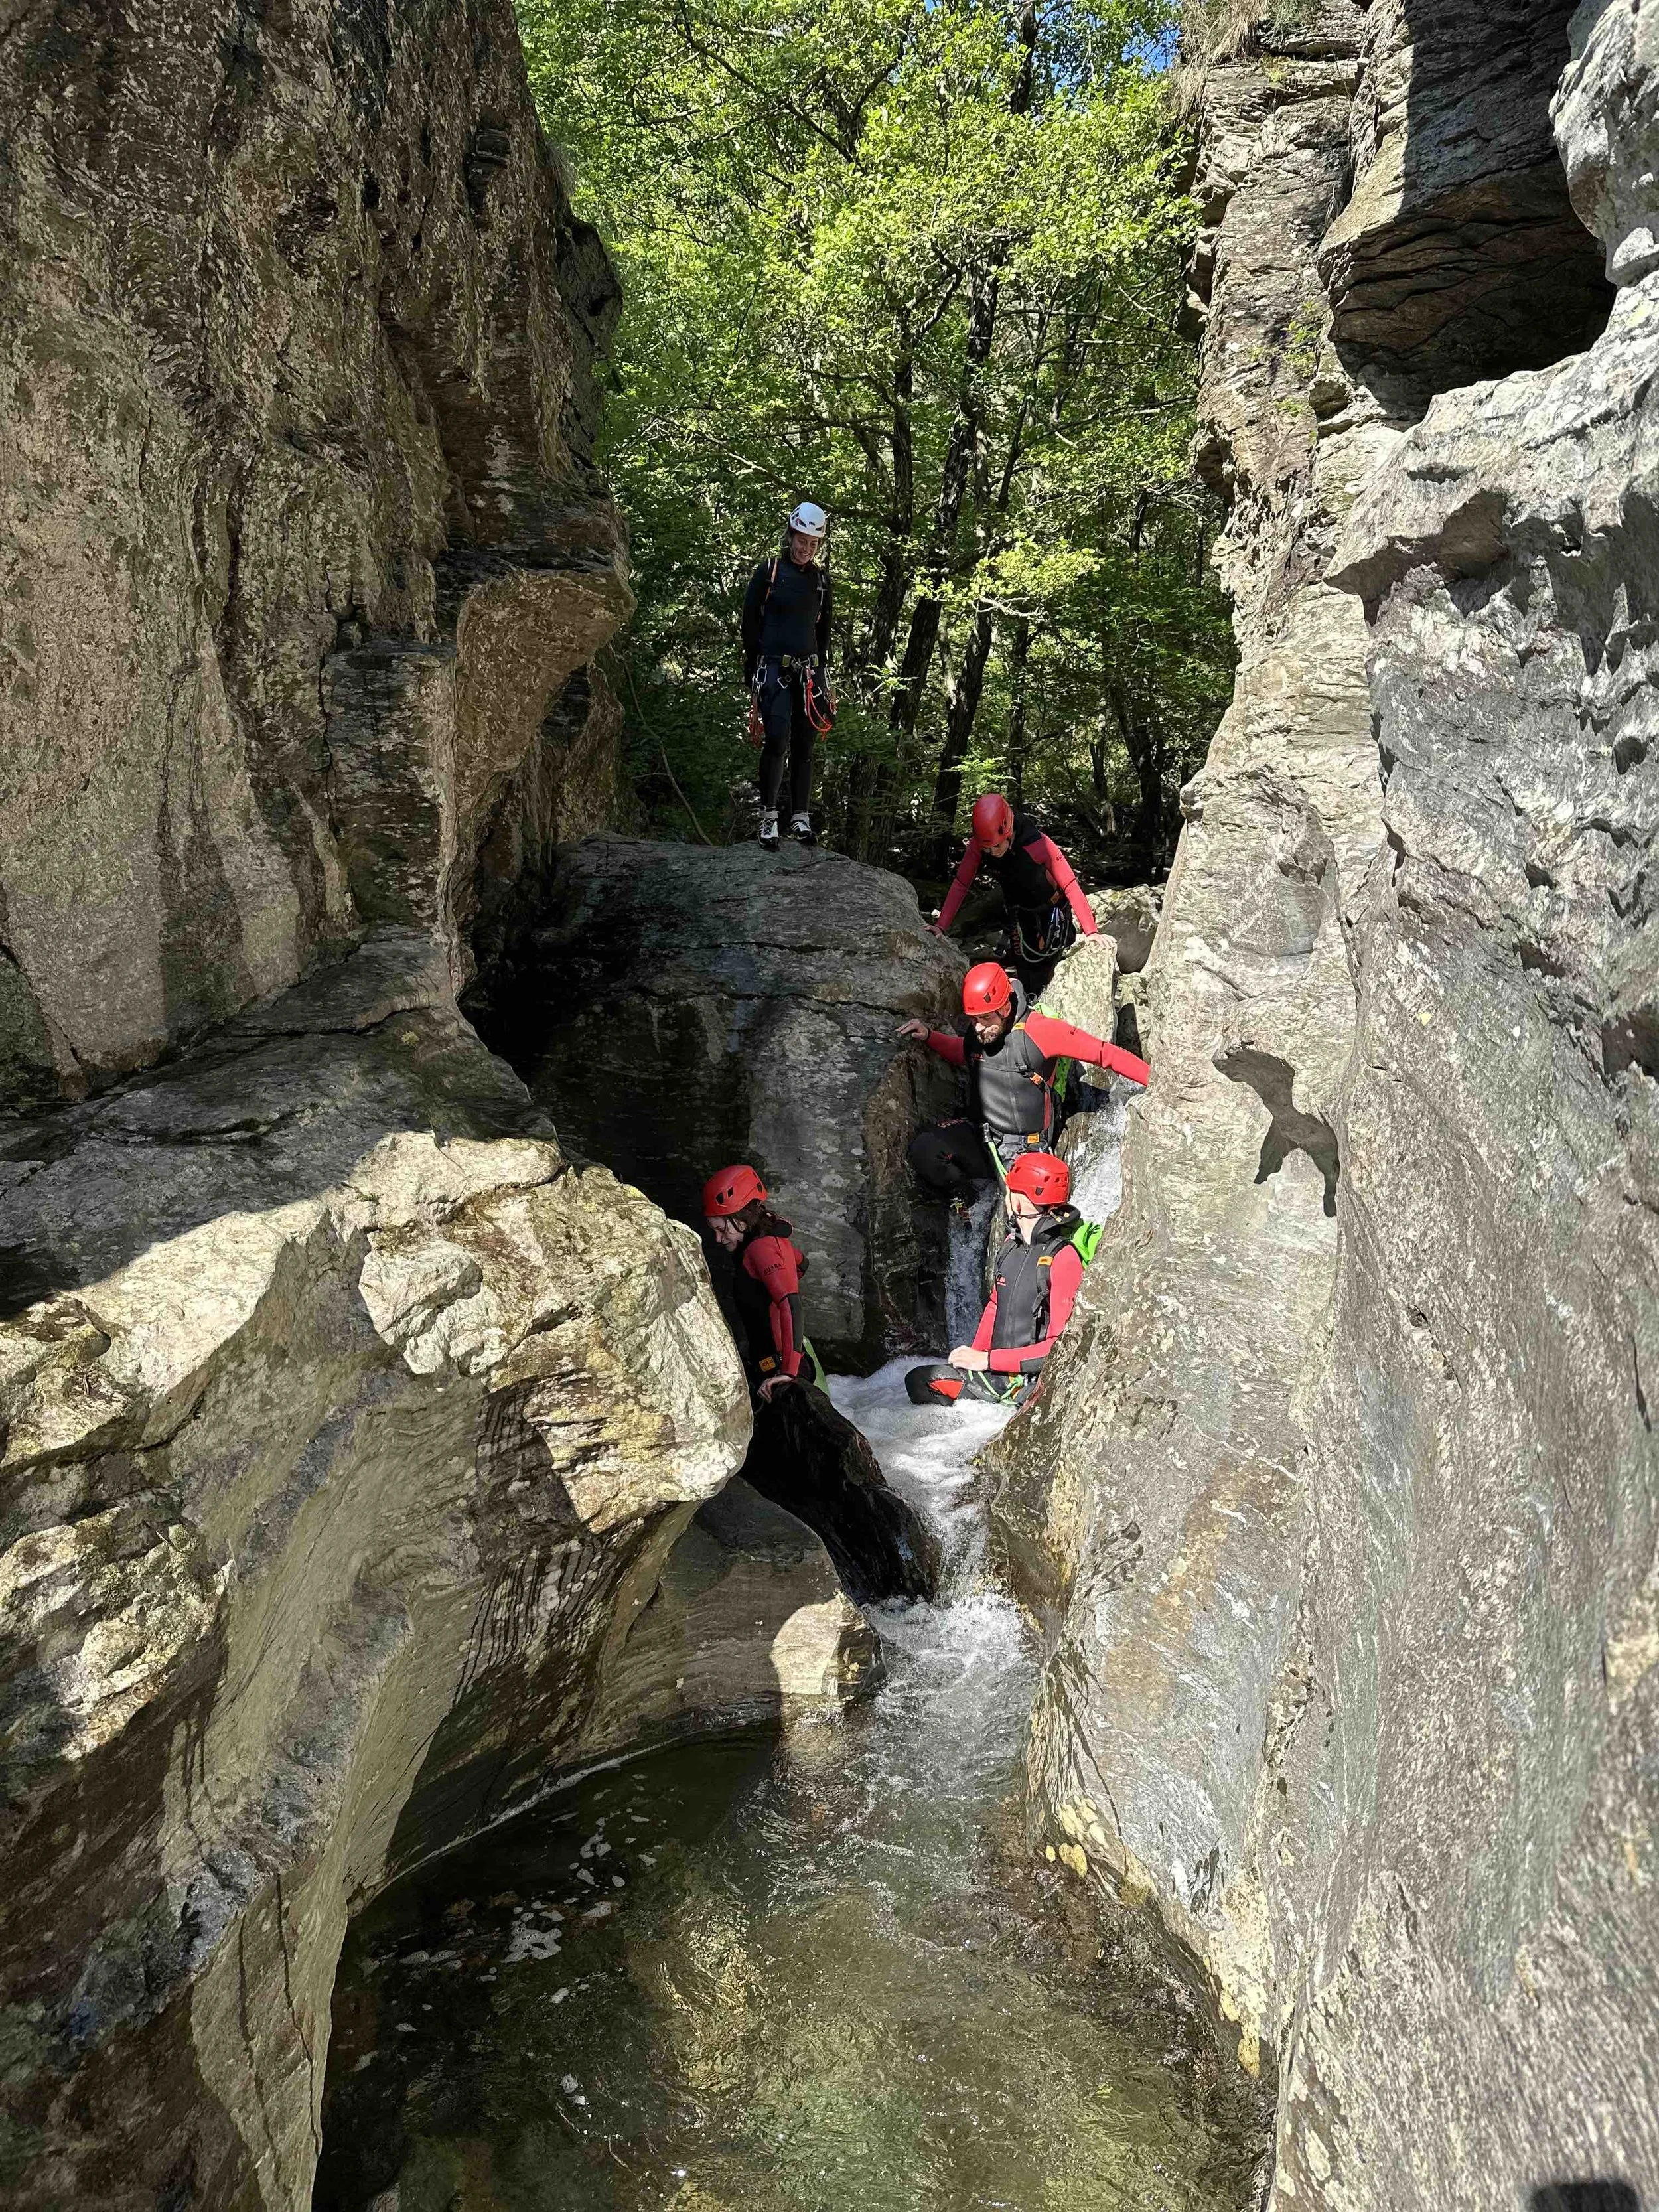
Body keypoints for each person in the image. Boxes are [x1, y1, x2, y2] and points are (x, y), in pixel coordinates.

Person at [897, 960, 1149, 1201]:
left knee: (1023, 1219)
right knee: (924, 1148)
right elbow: (962, 1052)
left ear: (1005, 1009)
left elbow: (1106, 1054)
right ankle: (968, 1203)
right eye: (973, 1019)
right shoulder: (980, 1029)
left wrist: (1156, 1082)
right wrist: (929, 1036)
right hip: (981, 1135)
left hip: (1024, 1147)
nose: (978, 1028)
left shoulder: (1040, 1030)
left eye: (985, 1019)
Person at [905, 1153, 1090, 1406]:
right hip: (996, 1375)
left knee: (1029, 1407)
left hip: (1032, 1383)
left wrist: (988, 1361)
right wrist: (976, 1355)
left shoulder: (1064, 1258)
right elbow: (995, 1305)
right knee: (919, 1381)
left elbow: (1058, 1347)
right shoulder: (1010, 1245)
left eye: (1011, 1189)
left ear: (1019, 1202)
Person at [932, 791, 1097, 998]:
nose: (992, 853)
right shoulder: (979, 845)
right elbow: (961, 883)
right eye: (987, 849)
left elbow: (1071, 884)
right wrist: (941, 926)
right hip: (1018, 911)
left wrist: (1092, 932)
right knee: (1027, 972)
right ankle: (1027, 1009)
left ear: (1008, 832)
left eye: (997, 846)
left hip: (1052, 910)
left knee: (1052, 962)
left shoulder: (1037, 844)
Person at [741, 501, 835, 850]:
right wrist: (752, 665)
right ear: (791, 535)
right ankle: (769, 817)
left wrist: (822, 675)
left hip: (809, 670)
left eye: (812, 544)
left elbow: (824, 628)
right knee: (778, 737)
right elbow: (750, 620)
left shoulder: (821, 581)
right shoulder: (770, 571)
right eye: (801, 540)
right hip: (774, 668)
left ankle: (800, 816)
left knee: (806, 745)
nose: (806, 549)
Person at [701, 1163, 823, 1400]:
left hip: (783, 1370)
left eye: (721, 1229)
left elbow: (790, 1304)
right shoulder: (764, 1243)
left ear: (741, 1219)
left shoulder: (762, 1248)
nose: (717, 1238)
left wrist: (788, 1372)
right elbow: (801, 1263)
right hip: (774, 1363)